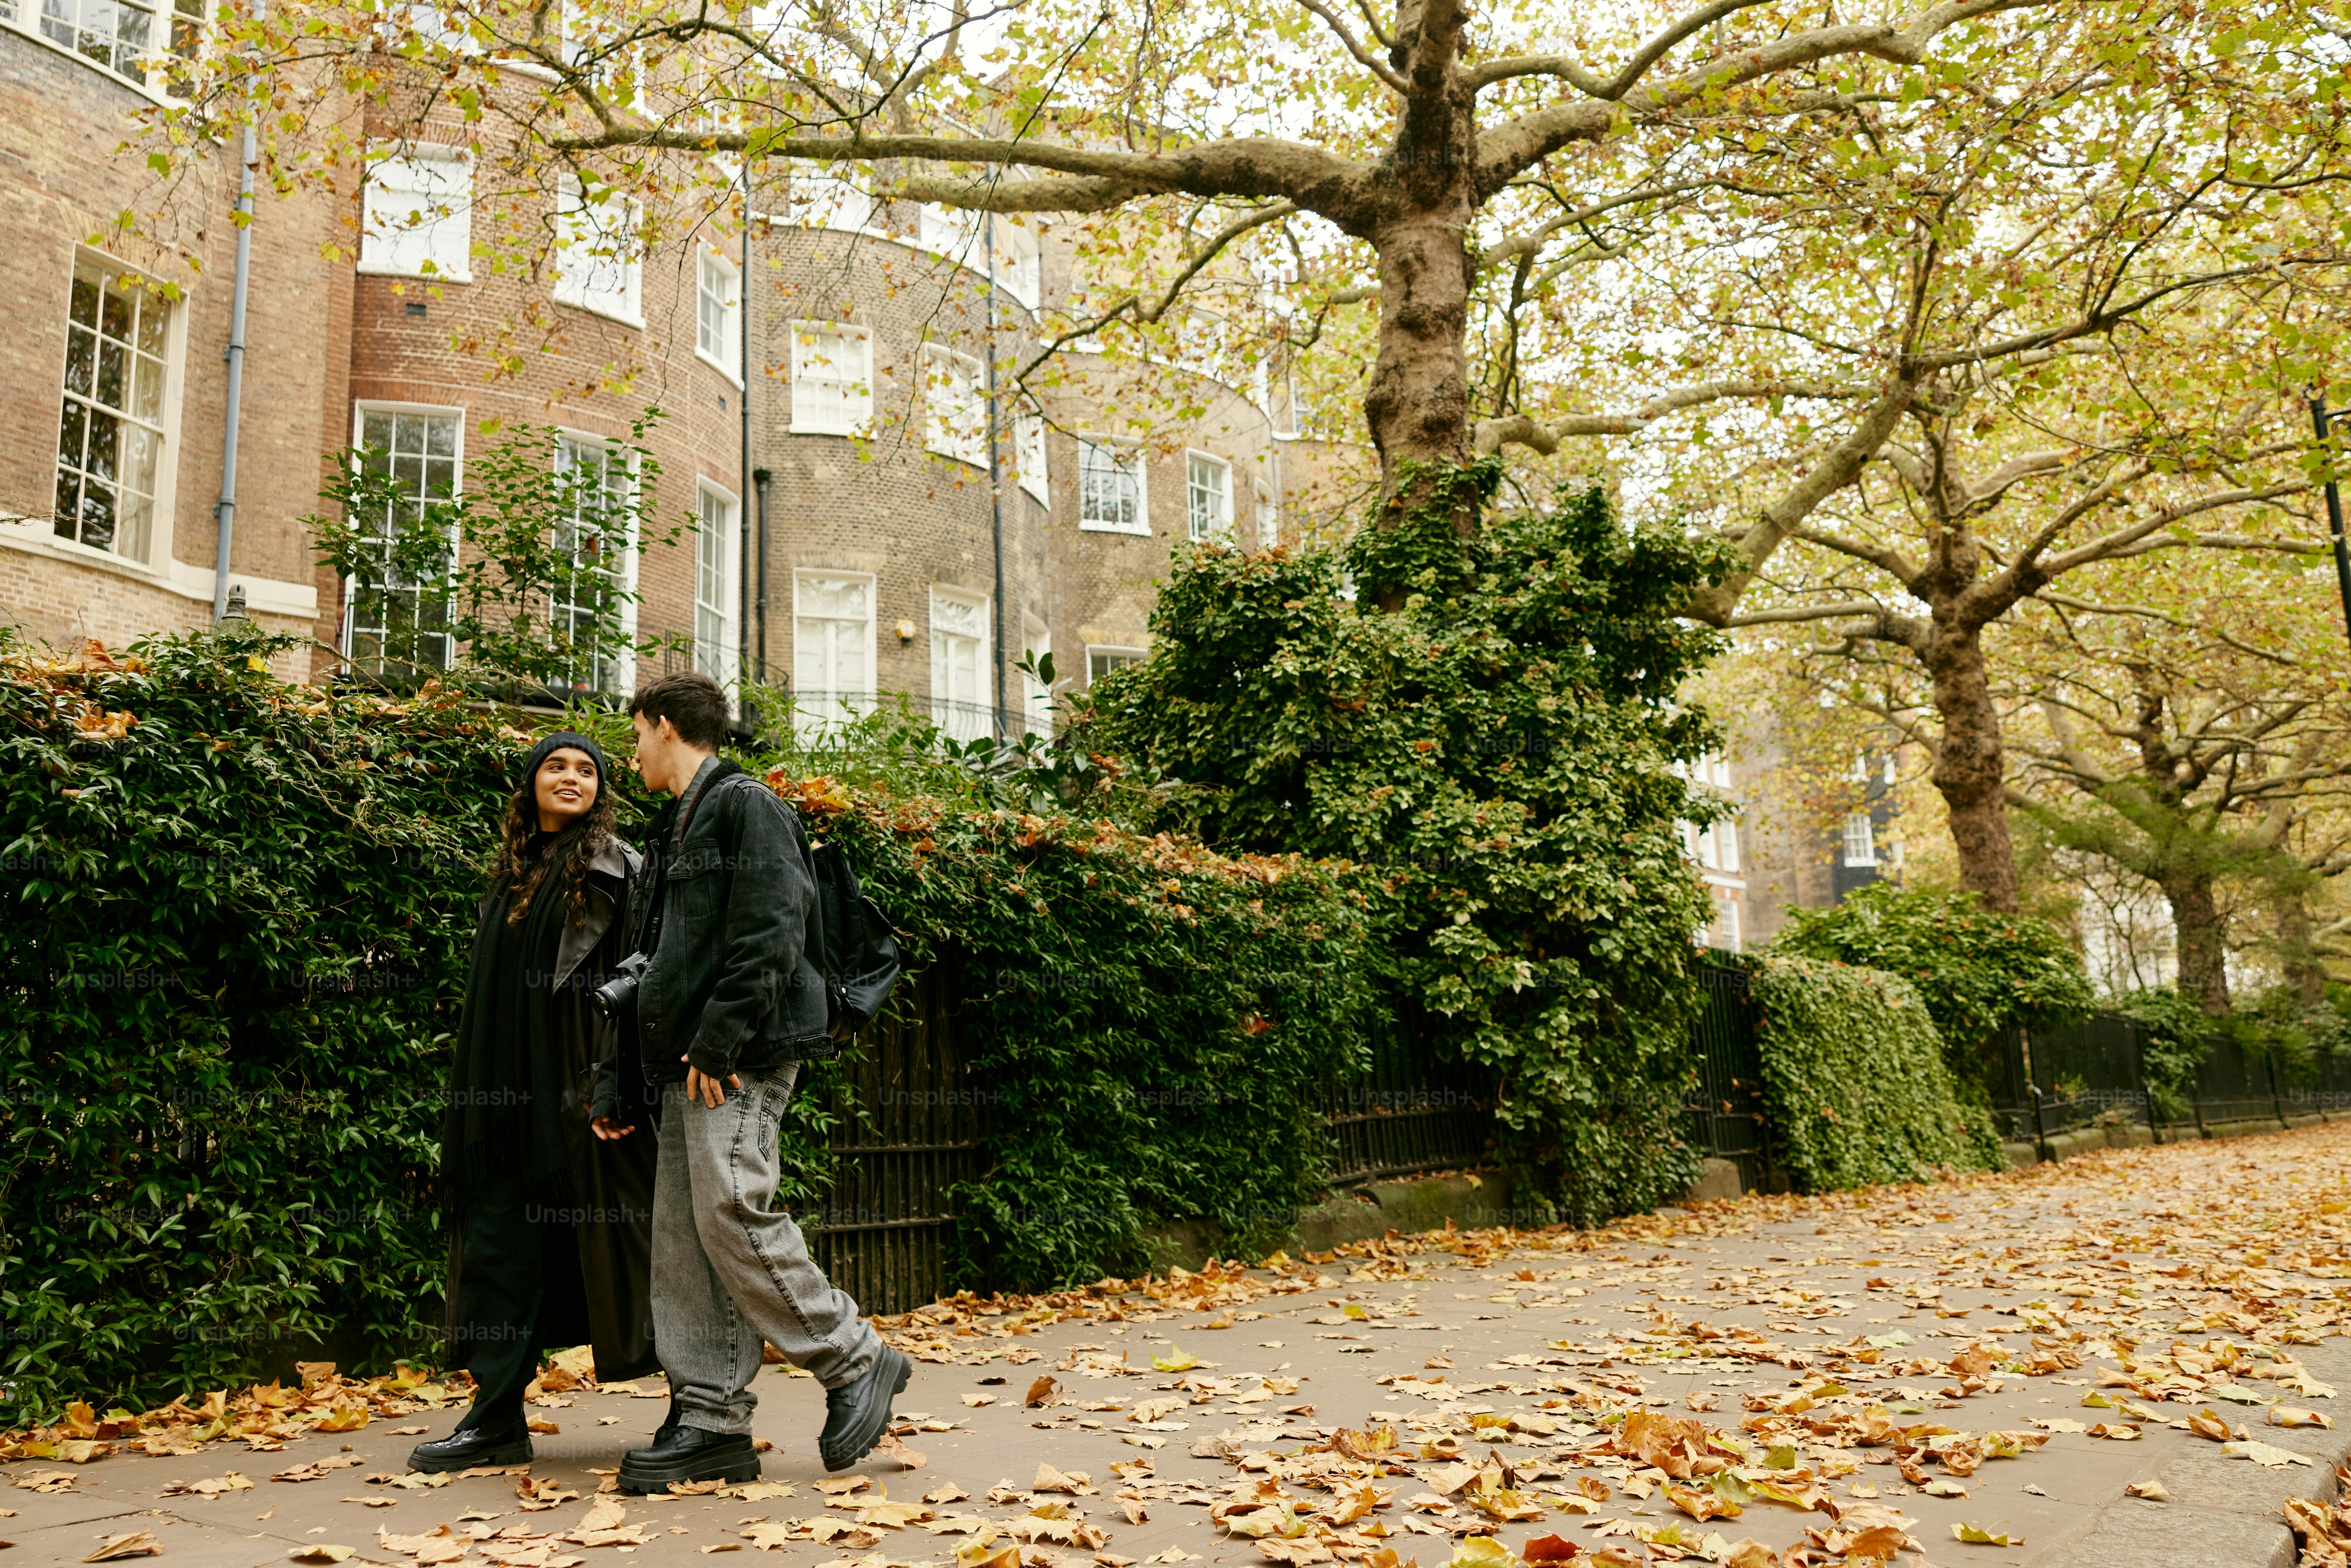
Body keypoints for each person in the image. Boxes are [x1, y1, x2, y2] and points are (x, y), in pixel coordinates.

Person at [605, 672, 909, 1492]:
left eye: (634, 733)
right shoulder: (679, 824)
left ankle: (857, 1358)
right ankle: (709, 1420)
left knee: (734, 1209)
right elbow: (664, 956)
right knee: (685, 1239)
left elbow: (773, 928)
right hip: (689, 1062)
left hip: (734, 1057)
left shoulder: (748, 807)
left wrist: (719, 1039)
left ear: (664, 726)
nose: (630, 752)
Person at [411, 732, 660, 1472]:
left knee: (632, 1259)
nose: (571, 777)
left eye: (587, 770)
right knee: (497, 1253)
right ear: (531, 784)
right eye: (556, 765)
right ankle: (495, 1420)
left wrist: (618, 1087)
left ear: (601, 791)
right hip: (504, 1108)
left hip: (584, 1104)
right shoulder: (512, 874)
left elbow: (646, 981)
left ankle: (704, 1416)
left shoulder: (622, 870)